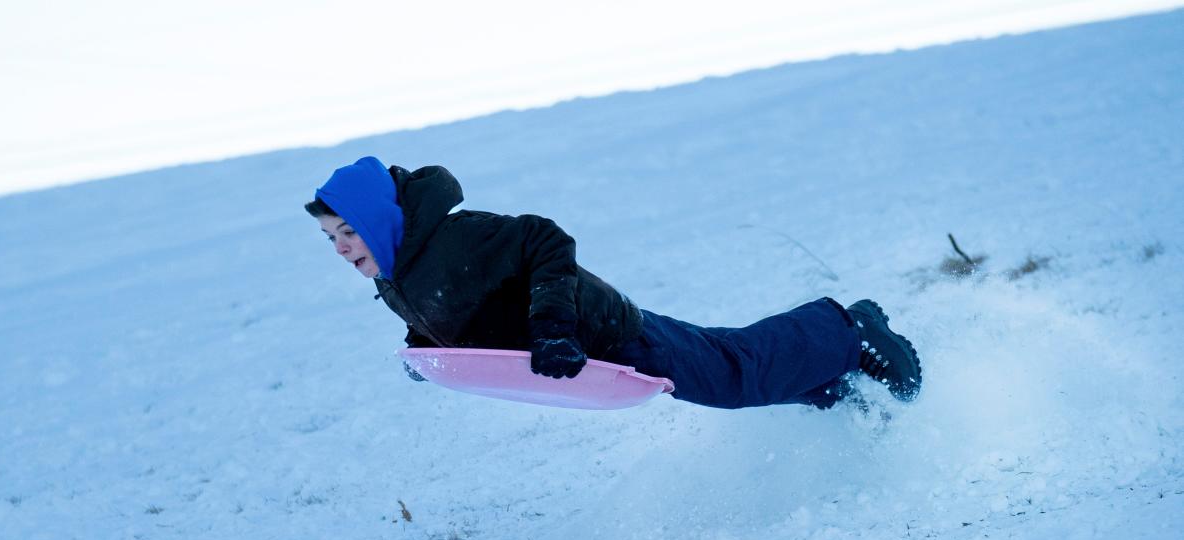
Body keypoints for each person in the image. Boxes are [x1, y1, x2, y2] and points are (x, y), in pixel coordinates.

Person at [305, 157, 921, 410]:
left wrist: (553, 330)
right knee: (720, 369)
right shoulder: (396, 275)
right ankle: (832, 381)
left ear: (380, 218)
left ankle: (849, 328)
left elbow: (546, 240)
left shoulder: (457, 236)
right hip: (588, 348)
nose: (340, 249)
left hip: (605, 330)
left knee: (730, 375)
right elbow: (452, 310)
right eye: (331, 239)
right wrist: (429, 350)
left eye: (347, 232)